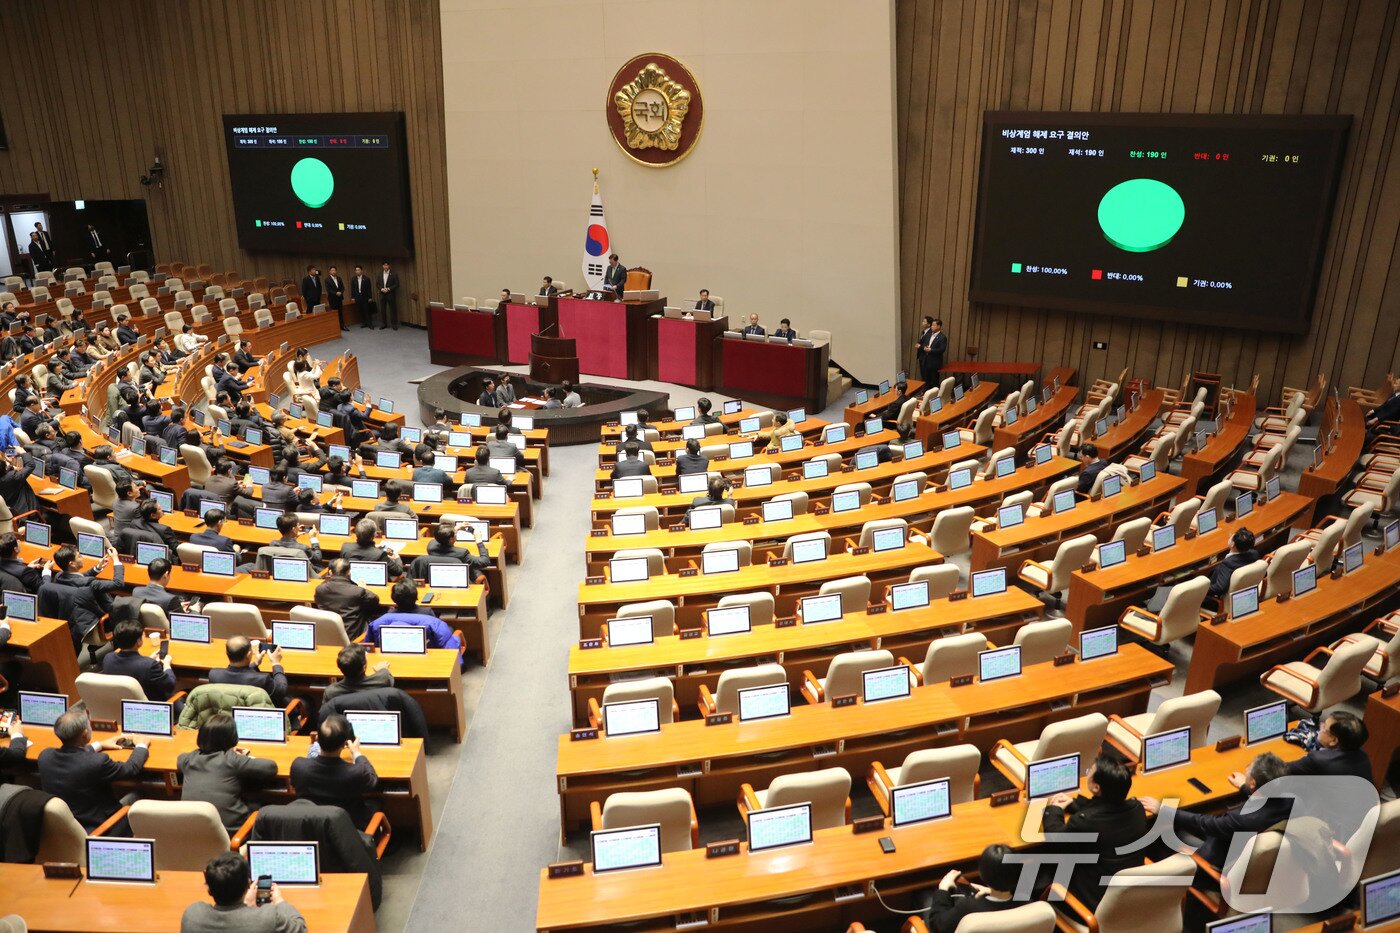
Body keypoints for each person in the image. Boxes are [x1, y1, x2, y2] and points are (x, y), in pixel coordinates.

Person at [1142, 752, 1292, 869]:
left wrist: (1163, 810)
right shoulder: (1289, 801)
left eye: (1249, 768)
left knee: (1163, 835)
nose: (1246, 769)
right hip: (1242, 852)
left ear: (1253, 783)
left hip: (1215, 864)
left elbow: (1204, 823)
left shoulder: (1241, 819)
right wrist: (1244, 788)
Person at [1040, 754, 1148, 911]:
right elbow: (1106, 813)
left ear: (1096, 787)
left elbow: (1055, 840)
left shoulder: (1085, 822)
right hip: (1127, 895)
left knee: (1040, 868)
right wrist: (1075, 804)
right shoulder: (1137, 808)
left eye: (1090, 770)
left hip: (1092, 903)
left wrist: (1053, 810)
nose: (1088, 771)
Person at [38, 709, 150, 834]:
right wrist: (141, 745)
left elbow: (73, 755)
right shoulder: (97, 762)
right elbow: (131, 769)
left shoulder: (45, 756)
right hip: (102, 828)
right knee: (138, 795)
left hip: (66, 828)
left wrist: (99, 745)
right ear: (85, 734)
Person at [180, 851, 307, 932]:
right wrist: (280, 901)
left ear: (209, 890)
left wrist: (244, 906)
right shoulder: (267, 917)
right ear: (248, 885)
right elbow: (301, 928)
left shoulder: (192, 915)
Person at [289, 714, 379, 826]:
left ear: (317, 739)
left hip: (311, 825)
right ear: (344, 744)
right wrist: (356, 753)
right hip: (347, 828)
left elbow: (293, 786)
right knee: (376, 803)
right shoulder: (356, 772)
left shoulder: (299, 766)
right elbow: (372, 780)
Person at [924, 843, 1028, 932]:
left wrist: (943, 890)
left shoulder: (967, 909)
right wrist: (989, 891)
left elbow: (938, 927)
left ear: (982, 875)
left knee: (923, 895)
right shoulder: (1029, 905)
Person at [366, 579, 462, 652]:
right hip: (426, 651)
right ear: (416, 596)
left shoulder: (387, 617)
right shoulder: (427, 613)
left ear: (394, 599)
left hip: (395, 651)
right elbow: (438, 634)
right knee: (450, 628)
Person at [102, 617, 178, 701]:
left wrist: (148, 660)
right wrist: (167, 665)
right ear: (138, 642)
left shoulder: (108, 658)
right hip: (152, 705)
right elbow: (170, 685)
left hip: (120, 703)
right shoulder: (149, 665)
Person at [1286, 709, 1372, 780]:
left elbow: (1283, 769)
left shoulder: (1317, 760)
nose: (1320, 725)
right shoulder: (1363, 755)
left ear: (1334, 741)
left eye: (1324, 727)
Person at [207, 635, 289, 707]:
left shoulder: (214, 674)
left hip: (226, 717)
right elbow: (281, 691)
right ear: (249, 654)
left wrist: (255, 663)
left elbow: (239, 674)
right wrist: (276, 663)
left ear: (226, 653)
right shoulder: (262, 679)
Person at [313, 559, 382, 641]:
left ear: (330, 572)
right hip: (352, 637)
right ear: (349, 572)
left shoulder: (320, 589)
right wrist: (362, 589)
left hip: (327, 635)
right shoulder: (357, 591)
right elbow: (375, 600)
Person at [324, 643, 395, 703]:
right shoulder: (383, 679)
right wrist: (382, 669)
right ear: (364, 667)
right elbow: (386, 675)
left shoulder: (331, 692)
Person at [1208, 527, 1260, 597]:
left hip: (1218, 598)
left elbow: (1219, 588)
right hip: (1244, 590)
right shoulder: (1254, 554)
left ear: (1232, 544)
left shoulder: (1228, 563)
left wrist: (1202, 590)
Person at [915, 315, 947, 385]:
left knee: (934, 380)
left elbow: (942, 349)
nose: (932, 327)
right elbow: (924, 344)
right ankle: (926, 393)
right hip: (926, 361)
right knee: (926, 379)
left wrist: (931, 350)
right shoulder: (928, 335)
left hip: (934, 362)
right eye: (932, 325)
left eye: (934, 325)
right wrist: (923, 347)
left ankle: (934, 394)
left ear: (939, 326)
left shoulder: (942, 337)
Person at [350, 264, 375, 329]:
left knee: (367, 310)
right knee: (361, 310)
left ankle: (370, 324)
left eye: (358, 270)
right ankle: (364, 323)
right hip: (358, 297)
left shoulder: (366, 279)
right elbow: (352, 289)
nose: (357, 271)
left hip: (365, 297)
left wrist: (370, 297)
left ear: (361, 271)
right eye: (356, 270)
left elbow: (369, 289)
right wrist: (353, 297)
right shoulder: (353, 279)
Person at [377, 261, 399, 330]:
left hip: (390, 294)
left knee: (393, 310)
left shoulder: (394, 274)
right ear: (382, 266)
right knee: (383, 310)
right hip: (382, 294)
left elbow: (397, 284)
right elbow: (377, 284)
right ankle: (384, 324)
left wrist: (388, 289)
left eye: (387, 265)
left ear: (389, 266)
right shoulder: (380, 274)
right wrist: (381, 289)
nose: (385, 266)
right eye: (384, 265)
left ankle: (394, 324)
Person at [324, 265, 346, 331]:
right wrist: (336, 293)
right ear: (329, 271)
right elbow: (328, 289)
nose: (333, 272)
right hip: (332, 299)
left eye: (334, 270)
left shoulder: (339, 278)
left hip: (339, 298)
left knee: (340, 313)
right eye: (332, 270)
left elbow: (343, 287)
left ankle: (342, 326)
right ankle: (336, 327)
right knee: (334, 313)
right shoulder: (327, 279)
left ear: (336, 271)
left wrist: (341, 292)